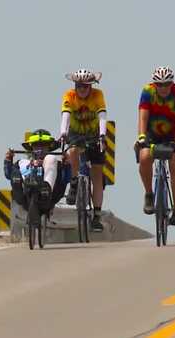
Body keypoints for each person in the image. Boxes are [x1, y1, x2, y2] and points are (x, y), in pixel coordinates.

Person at [135, 66, 175, 225]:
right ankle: (149, 194)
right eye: (160, 84)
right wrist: (142, 137)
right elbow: (143, 118)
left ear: (172, 83)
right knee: (144, 157)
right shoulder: (147, 92)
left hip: (171, 134)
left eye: (167, 84)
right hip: (152, 132)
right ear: (154, 84)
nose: (163, 88)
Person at [59, 69, 108, 232]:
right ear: (75, 85)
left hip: (94, 134)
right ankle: (73, 183)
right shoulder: (69, 95)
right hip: (75, 132)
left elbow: (102, 115)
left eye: (86, 86)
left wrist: (102, 135)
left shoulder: (98, 95)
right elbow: (65, 114)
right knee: (72, 151)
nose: (82, 89)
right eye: (79, 86)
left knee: (97, 175)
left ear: (91, 86)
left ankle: (97, 216)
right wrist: (63, 133)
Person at [4, 129, 68, 213]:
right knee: (21, 164)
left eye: (44, 145)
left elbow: (66, 179)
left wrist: (66, 164)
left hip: (50, 198)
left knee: (51, 159)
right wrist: (8, 159)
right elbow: (9, 175)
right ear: (31, 148)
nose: (40, 149)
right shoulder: (22, 163)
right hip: (25, 197)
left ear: (49, 147)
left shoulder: (56, 164)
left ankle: (46, 189)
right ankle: (25, 188)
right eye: (36, 146)